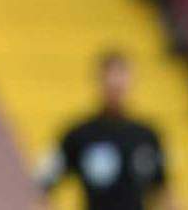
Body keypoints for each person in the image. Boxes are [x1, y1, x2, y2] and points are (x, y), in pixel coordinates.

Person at [34, 51, 179, 210]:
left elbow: (164, 191)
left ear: (130, 82)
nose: (115, 85)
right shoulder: (77, 134)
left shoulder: (148, 136)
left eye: (121, 78)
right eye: (110, 78)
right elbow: (45, 185)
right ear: (99, 81)